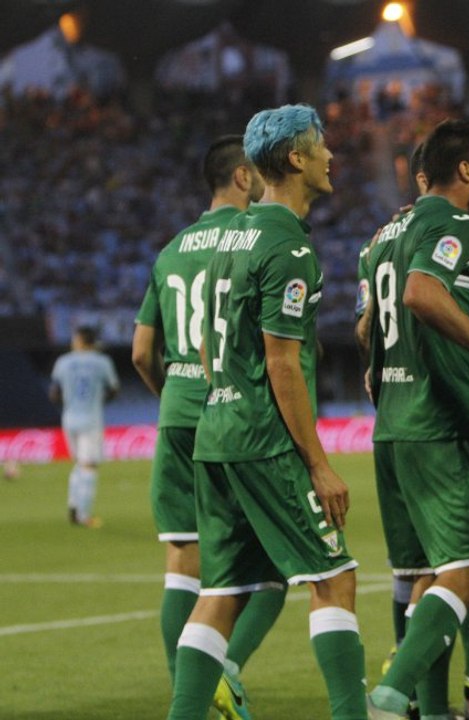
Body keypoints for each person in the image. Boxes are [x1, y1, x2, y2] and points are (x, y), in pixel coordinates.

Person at [166, 104, 367, 720]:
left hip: (215, 434)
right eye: (321, 145)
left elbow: (204, 343)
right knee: (334, 580)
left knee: (221, 593)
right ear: (296, 160)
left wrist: (227, 393)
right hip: (265, 439)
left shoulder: (229, 237)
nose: (332, 155)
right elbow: (282, 365)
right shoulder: (290, 249)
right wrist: (319, 462)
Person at [365, 118, 469, 720]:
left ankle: (434, 713)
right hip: (445, 422)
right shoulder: (453, 222)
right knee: (468, 572)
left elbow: (368, 326)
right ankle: (389, 694)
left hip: (392, 423)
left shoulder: (386, 231)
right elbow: (419, 294)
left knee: (421, 577)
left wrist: (381, 372)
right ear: (465, 170)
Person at [132, 134, 285, 719]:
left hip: (177, 412)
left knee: (182, 563)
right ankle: (225, 672)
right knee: (271, 562)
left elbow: (143, 351)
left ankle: (187, 695)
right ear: (244, 176)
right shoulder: (255, 240)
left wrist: (173, 391)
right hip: (236, 414)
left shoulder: (170, 250)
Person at [49, 325, 119, 528]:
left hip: (69, 418)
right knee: (89, 466)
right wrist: (99, 400)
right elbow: (114, 389)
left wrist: (70, 402)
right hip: (91, 419)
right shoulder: (102, 362)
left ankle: (73, 505)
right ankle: (83, 515)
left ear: (79, 340)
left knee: (79, 463)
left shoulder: (63, 361)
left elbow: (54, 393)